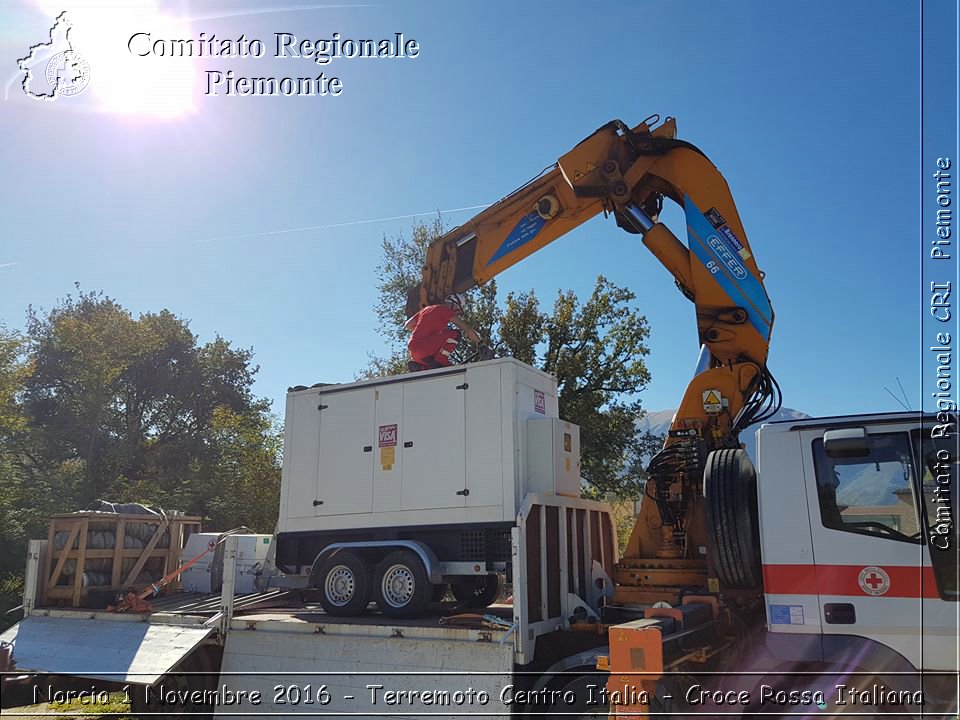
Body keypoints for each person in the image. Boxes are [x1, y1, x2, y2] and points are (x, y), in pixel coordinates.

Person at [405, 294, 481, 371]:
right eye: (458, 310)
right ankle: (439, 362)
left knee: (445, 366)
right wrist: (480, 343)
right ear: (454, 304)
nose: (456, 313)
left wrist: (424, 329)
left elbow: (408, 325)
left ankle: (422, 367)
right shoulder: (445, 311)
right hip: (424, 348)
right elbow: (466, 328)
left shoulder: (426, 309)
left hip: (415, 353)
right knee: (455, 334)